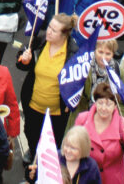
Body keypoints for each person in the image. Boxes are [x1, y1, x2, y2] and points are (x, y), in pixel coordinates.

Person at [17, 13, 78, 149]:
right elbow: (21, 60)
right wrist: (25, 60)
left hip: (56, 113)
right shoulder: (39, 40)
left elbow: (78, 81)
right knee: (31, 135)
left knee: (51, 146)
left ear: (64, 35)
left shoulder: (73, 53)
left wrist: (71, 99)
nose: (48, 31)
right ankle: (33, 154)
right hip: (33, 106)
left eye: (53, 30)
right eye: (49, 26)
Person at [76, 82, 124, 184]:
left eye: (108, 104)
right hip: (87, 178)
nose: (103, 108)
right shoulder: (82, 119)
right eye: (100, 103)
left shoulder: (123, 124)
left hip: (112, 180)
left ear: (115, 106)